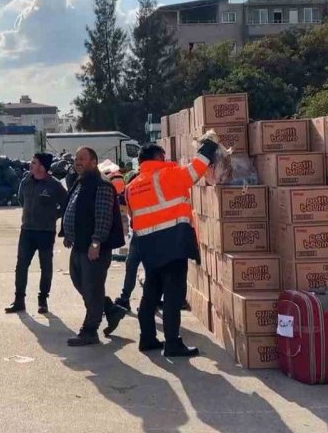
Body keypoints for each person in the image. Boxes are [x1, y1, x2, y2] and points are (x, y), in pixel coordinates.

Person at [126, 140, 218, 357]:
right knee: (173, 296)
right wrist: (209, 146)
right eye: (163, 156)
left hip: (148, 247)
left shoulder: (132, 186)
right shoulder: (167, 175)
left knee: (151, 293)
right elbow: (195, 170)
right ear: (158, 157)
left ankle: (147, 339)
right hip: (172, 243)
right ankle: (172, 343)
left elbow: (133, 217)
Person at [59, 147, 127, 347]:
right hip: (79, 244)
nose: (77, 162)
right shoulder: (81, 181)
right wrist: (68, 234)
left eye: (82, 159)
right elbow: (73, 208)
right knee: (80, 282)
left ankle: (89, 331)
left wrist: (96, 242)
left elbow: (103, 217)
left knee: (92, 289)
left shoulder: (101, 185)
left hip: (94, 248)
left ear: (94, 162)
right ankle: (111, 310)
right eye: (76, 159)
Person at [5, 153, 67, 315]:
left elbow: (66, 204)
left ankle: (43, 300)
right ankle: (19, 300)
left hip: (46, 232)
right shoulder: (26, 180)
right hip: (27, 230)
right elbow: (21, 199)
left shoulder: (54, 185)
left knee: (45, 266)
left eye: (34, 163)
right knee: (21, 266)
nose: (31, 165)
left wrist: (53, 215)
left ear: (42, 167)